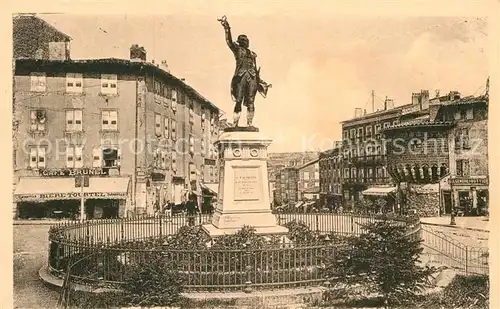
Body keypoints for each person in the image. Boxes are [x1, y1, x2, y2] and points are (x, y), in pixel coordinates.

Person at [219, 16, 271, 127]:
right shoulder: (237, 49)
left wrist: (262, 82)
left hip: (252, 78)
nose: (246, 42)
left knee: (251, 101)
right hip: (241, 77)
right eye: (243, 40)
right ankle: (235, 123)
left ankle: (249, 123)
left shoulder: (252, 54)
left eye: (246, 40)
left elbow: (256, 71)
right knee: (238, 100)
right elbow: (228, 41)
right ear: (240, 42)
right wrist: (227, 27)